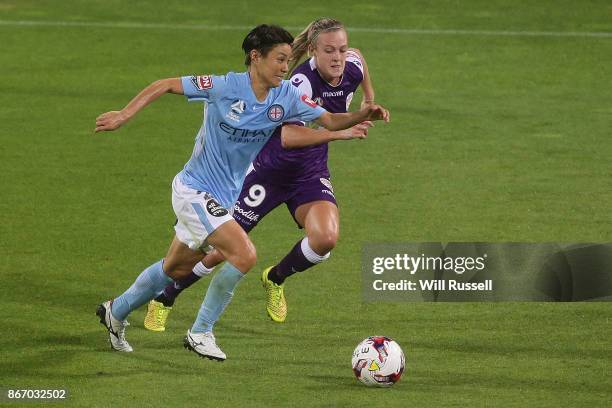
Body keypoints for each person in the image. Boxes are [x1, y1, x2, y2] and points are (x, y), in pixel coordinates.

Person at [94, 23, 389, 361]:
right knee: (245, 255)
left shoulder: (287, 96)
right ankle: (201, 331)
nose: (285, 67)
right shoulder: (223, 87)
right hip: (193, 189)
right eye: (279, 59)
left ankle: (115, 311)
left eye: (288, 59)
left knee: (174, 268)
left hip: (224, 197)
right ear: (255, 57)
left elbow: (331, 120)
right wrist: (124, 114)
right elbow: (163, 85)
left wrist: (364, 113)